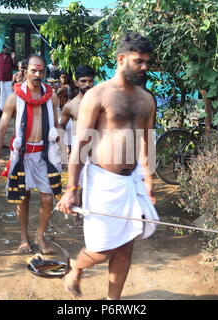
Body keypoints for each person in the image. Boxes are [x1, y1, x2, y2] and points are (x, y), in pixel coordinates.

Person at [56, 32, 158, 300]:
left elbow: (147, 142)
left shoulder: (147, 99)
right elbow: (80, 145)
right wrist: (71, 188)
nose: (145, 67)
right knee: (102, 250)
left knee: (126, 247)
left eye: (147, 62)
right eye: (139, 61)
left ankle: (113, 302)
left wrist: (149, 180)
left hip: (131, 181)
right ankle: (76, 268)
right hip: (102, 181)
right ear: (121, 59)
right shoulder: (98, 95)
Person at [0, 54, 62, 254]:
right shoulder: (14, 98)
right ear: (24, 72)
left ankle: (40, 237)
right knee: (23, 198)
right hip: (22, 156)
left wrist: (62, 154)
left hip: (45, 154)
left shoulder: (52, 97)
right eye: (33, 70)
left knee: (48, 198)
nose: (37, 74)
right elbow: (1, 130)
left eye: (41, 71)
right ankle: (24, 238)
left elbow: (56, 127)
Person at [60, 65, 96, 155]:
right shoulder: (70, 106)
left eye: (90, 81)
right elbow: (61, 127)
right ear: (76, 83)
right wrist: (65, 148)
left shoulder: (102, 102)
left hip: (100, 154)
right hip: (80, 155)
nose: (87, 84)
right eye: (83, 81)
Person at [0, 45, 16, 112]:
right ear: (3, 49)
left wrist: (13, 58)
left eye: (8, 50)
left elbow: (14, 66)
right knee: (1, 93)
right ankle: (1, 107)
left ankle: (10, 106)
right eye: (6, 49)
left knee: (9, 92)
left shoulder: (10, 56)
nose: (7, 51)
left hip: (9, 77)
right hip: (0, 77)